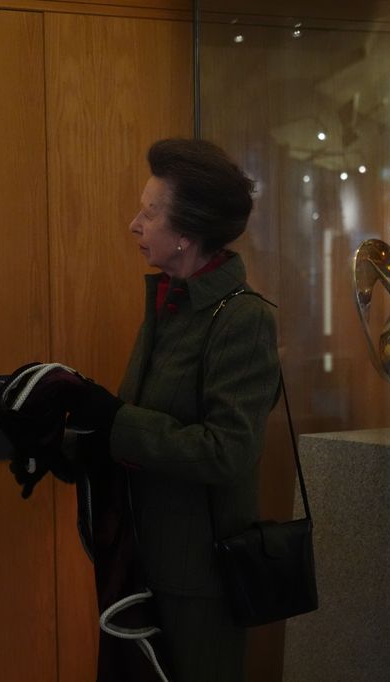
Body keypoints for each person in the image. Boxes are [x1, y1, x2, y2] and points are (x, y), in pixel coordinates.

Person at [67, 139, 281, 680]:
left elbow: (225, 451)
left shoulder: (242, 320)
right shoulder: (171, 302)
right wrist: (68, 439)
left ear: (188, 231)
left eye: (150, 212)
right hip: (139, 565)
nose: (135, 224)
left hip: (198, 584)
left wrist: (114, 421)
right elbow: (143, 428)